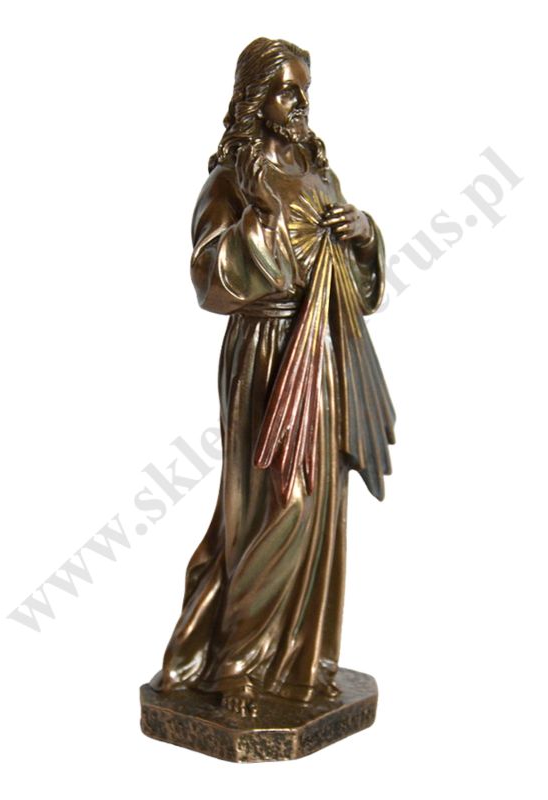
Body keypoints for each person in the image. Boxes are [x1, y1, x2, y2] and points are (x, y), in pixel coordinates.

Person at [150, 37, 395, 718]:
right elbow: (209, 277)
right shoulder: (231, 181)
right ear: (256, 99)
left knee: (319, 506)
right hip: (264, 349)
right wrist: (262, 221)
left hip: (326, 348)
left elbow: (355, 286)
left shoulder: (319, 177)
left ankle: (296, 663)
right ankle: (232, 664)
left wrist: (364, 234)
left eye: (304, 90)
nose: (300, 103)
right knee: (273, 501)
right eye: (287, 90)